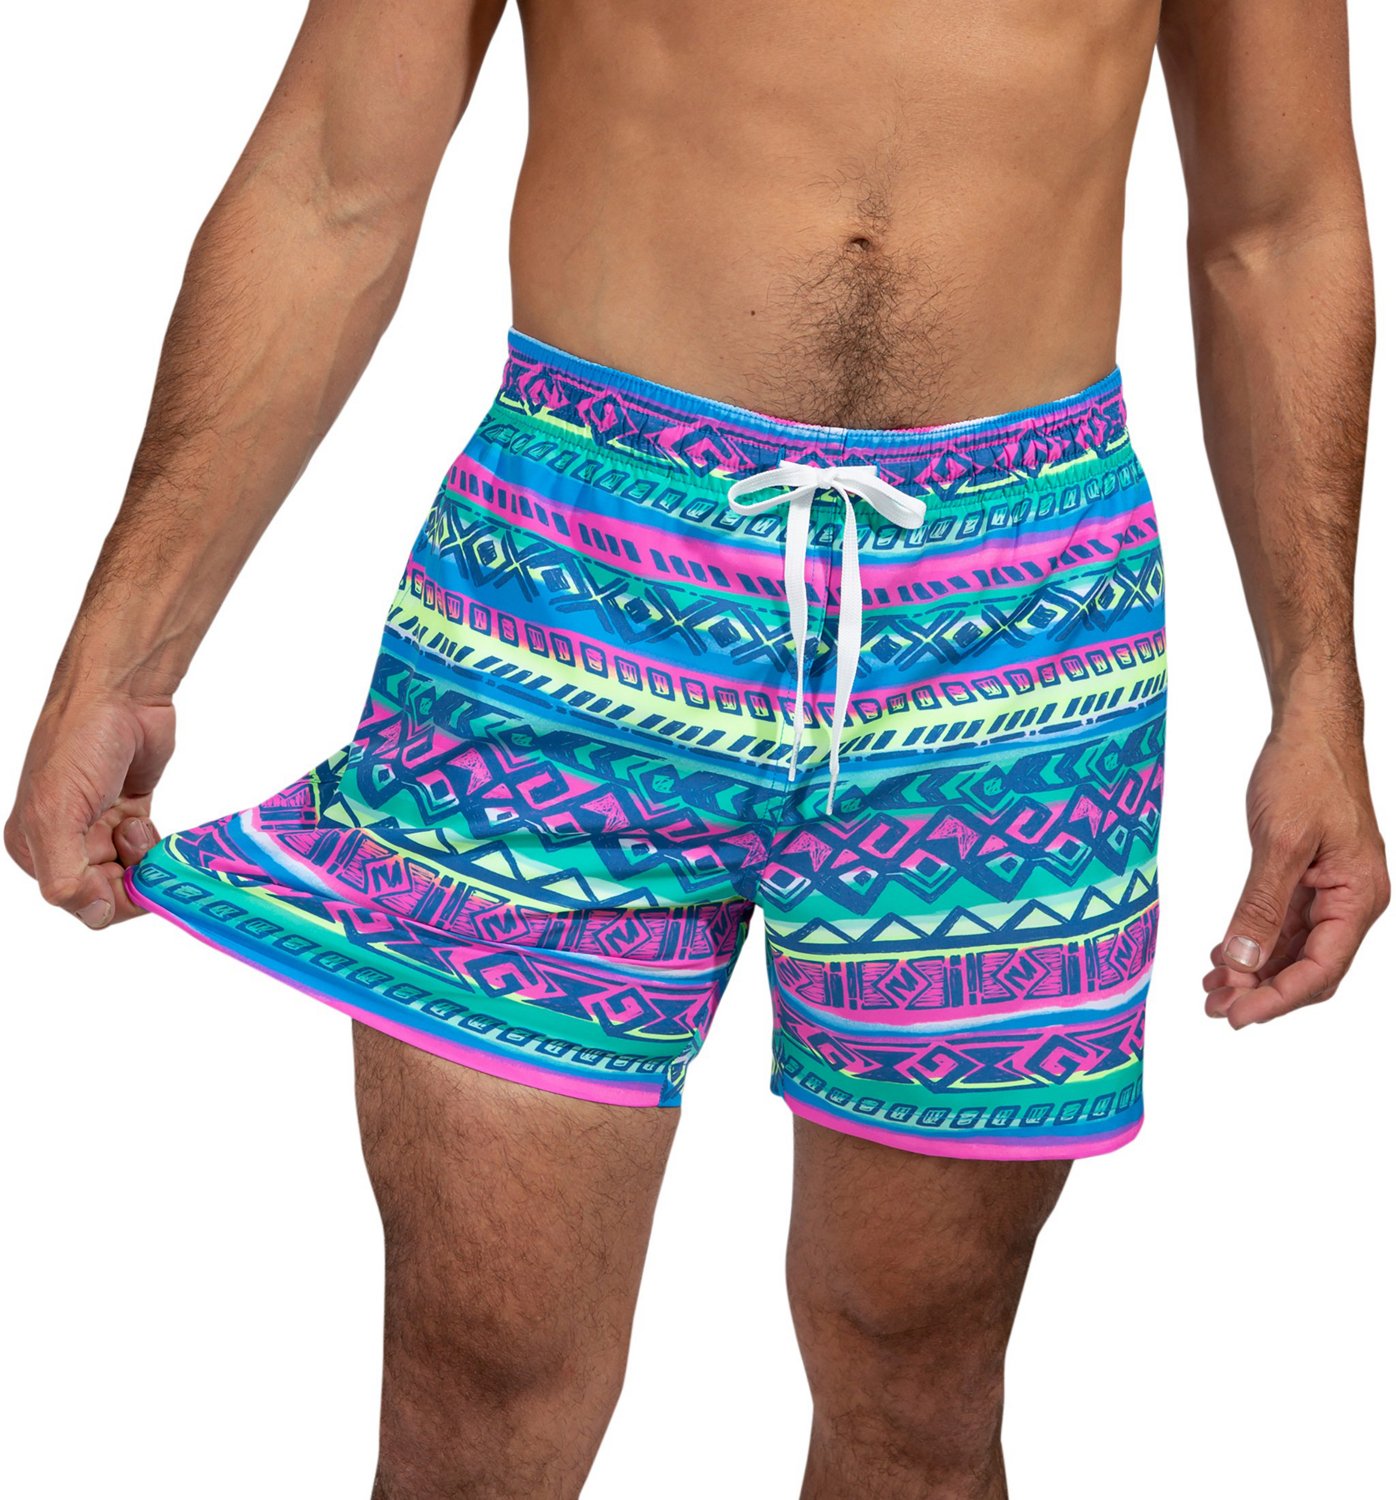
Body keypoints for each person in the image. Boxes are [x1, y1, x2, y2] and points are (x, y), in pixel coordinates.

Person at [6, 2, 1389, 1496]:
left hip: (1018, 632)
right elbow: (333, 179)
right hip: (571, 596)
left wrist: (1320, 697)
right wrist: (122, 653)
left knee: (920, 1379)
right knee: (483, 1379)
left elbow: (1277, 225)